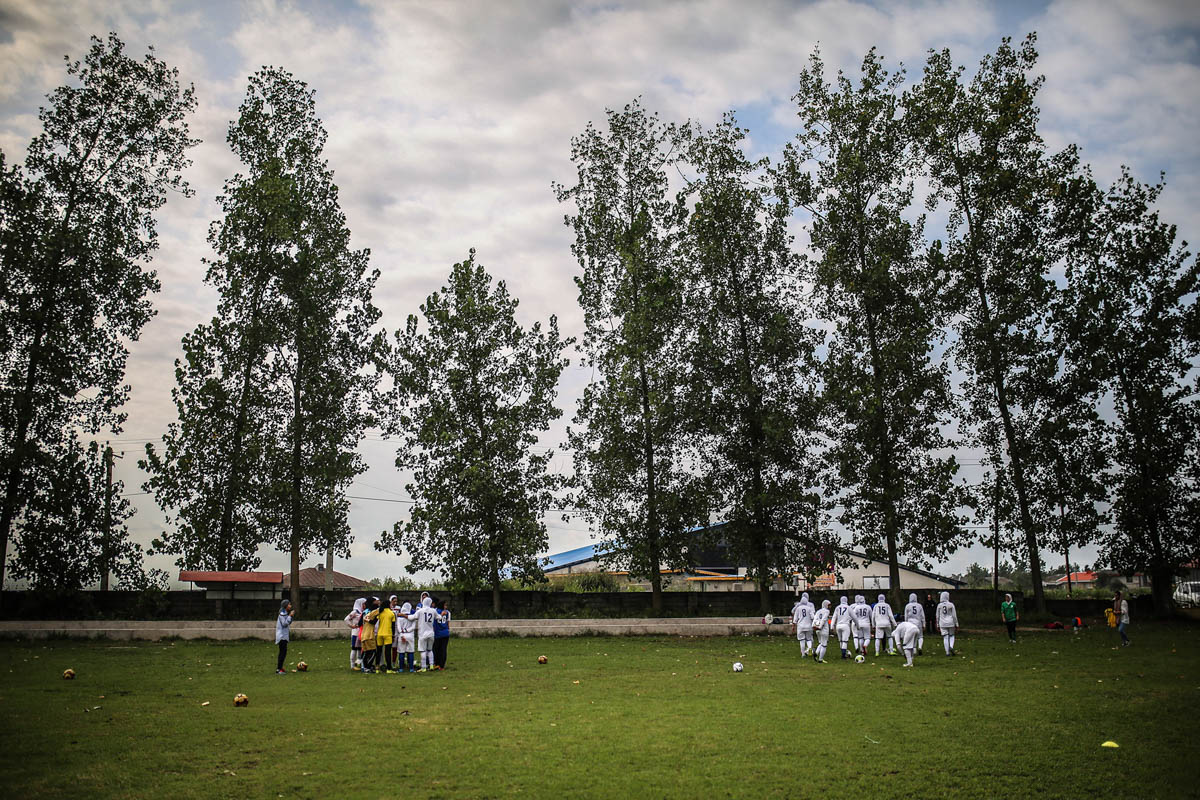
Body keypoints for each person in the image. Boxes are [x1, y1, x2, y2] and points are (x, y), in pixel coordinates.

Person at [408, 596, 439, 672]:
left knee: (423, 651)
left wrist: (404, 615)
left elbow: (412, 617)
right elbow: (439, 617)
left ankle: (424, 667)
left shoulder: (420, 611)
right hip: (431, 633)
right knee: (430, 650)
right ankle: (431, 665)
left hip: (422, 634)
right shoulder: (433, 611)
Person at [371, 596, 396, 673]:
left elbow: (375, 621)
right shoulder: (392, 613)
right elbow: (393, 626)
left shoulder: (380, 612)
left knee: (379, 652)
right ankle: (389, 669)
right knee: (387, 652)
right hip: (388, 634)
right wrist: (393, 635)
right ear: (388, 605)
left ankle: (377, 668)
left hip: (379, 634)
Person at [792, 593, 815, 658]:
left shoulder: (798, 608)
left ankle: (803, 654)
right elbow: (813, 617)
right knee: (809, 639)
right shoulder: (809, 608)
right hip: (808, 626)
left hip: (800, 626)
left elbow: (795, 619)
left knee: (802, 640)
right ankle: (810, 648)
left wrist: (793, 626)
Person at [345, 598, 365, 671]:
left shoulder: (363, 612)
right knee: (354, 649)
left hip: (361, 633)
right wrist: (352, 626)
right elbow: (346, 619)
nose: (364, 605)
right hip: (355, 633)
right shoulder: (355, 612)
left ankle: (359, 663)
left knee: (360, 649)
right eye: (363, 604)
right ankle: (352, 665)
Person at [936, 591, 959, 656]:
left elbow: (937, 616)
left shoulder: (939, 605)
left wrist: (937, 624)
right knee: (952, 635)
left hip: (942, 623)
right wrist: (957, 624)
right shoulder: (951, 605)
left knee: (945, 637)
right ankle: (951, 646)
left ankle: (947, 652)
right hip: (951, 623)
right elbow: (954, 616)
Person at [360, 597, 379, 673]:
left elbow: (360, 622)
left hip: (363, 634)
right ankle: (368, 667)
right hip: (369, 635)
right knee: (373, 652)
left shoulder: (365, 612)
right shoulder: (374, 612)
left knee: (366, 652)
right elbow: (373, 622)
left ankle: (364, 667)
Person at [275, 600, 293, 675]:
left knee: (283, 653)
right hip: (282, 637)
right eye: (289, 604)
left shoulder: (285, 614)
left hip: (284, 636)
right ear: (286, 606)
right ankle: (278, 669)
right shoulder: (282, 614)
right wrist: (290, 616)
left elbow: (288, 622)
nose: (290, 606)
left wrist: (290, 617)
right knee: (282, 653)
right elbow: (285, 624)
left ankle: (280, 668)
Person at [397, 602, 416, 672]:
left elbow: (398, 628)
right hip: (410, 635)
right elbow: (413, 627)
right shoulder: (412, 617)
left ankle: (401, 668)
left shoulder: (399, 618)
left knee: (401, 652)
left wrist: (402, 633)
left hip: (402, 635)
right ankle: (411, 668)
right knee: (410, 652)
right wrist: (407, 630)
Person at [433, 599, 451, 670]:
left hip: (438, 633)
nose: (446, 607)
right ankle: (441, 665)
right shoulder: (447, 613)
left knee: (436, 649)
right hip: (445, 633)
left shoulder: (435, 611)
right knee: (443, 650)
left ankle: (437, 663)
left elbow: (434, 622)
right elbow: (448, 623)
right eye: (445, 605)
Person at [812, 599, 832, 663]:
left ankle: (816, 653)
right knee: (824, 645)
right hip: (824, 629)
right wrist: (820, 627)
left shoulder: (818, 611)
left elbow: (815, 619)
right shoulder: (827, 611)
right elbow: (823, 619)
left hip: (817, 629)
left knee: (821, 643)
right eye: (829, 605)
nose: (830, 607)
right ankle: (820, 659)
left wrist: (814, 626)